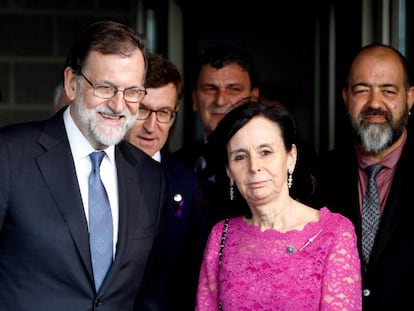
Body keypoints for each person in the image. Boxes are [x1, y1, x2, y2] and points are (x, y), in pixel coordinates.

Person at [0, 20, 167, 310]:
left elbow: (149, 289)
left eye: (132, 91)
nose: (118, 105)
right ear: (71, 84)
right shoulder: (9, 155)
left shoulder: (150, 176)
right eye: (105, 87)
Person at [196, 98, 362, 310]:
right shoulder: (221, 235)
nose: (254, 166)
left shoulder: (334, 232)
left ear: (290, 157)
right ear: (229, 171)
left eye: (265, 152)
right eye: (240, 156)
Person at [313, 44, 414, 310]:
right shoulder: (316, 176)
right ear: (346, 97)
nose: (374, 103)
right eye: (361, 90)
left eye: (388, 91)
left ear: (410, 97)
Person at [124, 53, 211, 310]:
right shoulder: (91, 174)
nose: (152, 126)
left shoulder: (191, 186)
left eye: (164, 113)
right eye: (142, 110)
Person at [173, 42, 259, 219]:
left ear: (254, 98)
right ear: (195, 99)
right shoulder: (174, 166)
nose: (220, 101)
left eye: (233, 89)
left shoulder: (282, 162)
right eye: (210, 89)